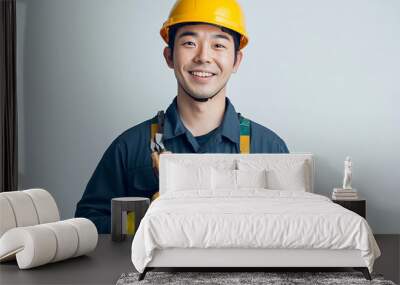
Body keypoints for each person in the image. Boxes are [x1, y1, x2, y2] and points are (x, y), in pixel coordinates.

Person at [75, 0, 289, 233]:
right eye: (189, 42)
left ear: (236, 60)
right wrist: (147, 218)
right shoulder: (129, 148)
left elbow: (293, 228)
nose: (203, 57)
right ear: (169, 56)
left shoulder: (269, 148)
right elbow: (88, 225)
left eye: (218, 45)